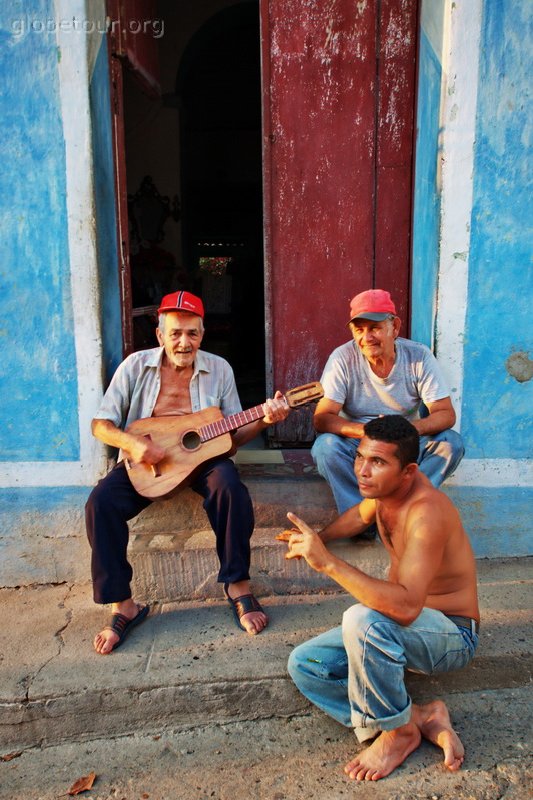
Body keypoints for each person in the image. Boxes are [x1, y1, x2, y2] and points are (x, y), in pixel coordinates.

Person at [86, 290, 290, 654]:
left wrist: (264, 420)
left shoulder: (220, 369)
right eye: (176, 333)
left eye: (192, 333)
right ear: (160, 334)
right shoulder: (135, 366)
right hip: (147, 464)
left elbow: (233, 436)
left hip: (202, 461)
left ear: (202, 333)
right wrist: (134, 445)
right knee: (100, 503)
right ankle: (124, 606)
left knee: (230, 486)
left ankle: (238, 585)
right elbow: (100, 425)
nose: (184, 342)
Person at [280, 415, 479, 782]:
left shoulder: (427, 512)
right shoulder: (385, 492)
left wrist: (327, 563)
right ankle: (419, 716)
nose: (362, 471)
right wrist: (320, 539)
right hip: (401, 624)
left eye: (378, 462)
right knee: (305, 664)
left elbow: (405, 607)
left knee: (361, 619)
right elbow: (358, 516)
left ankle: (398, 734)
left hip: (450, 634)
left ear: (409, 471)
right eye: (360, 457)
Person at [311, 289, 464, 533]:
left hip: (405, 438)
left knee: (450, 443)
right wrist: (366, 431)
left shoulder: (419, 356)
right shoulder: (342, 358)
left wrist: (404, 430)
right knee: (325, 447)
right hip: (361, 442)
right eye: (359, 330)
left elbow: (445, 414)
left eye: (374, 328)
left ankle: (403, 513)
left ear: (395, 327)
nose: (367, 337)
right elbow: (322, 418)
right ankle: (363, 522)